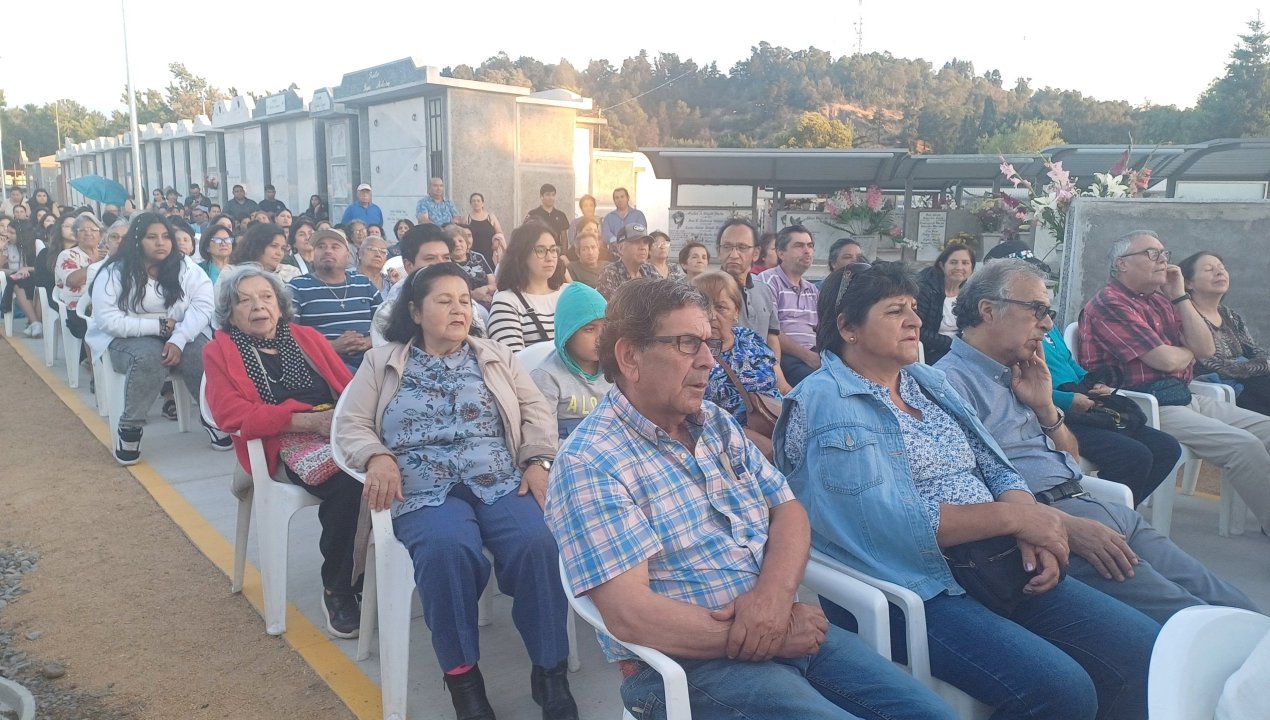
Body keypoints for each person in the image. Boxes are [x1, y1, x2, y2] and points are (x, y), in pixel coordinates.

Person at [545, 278, 957, 720]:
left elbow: (788, 510)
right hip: (687, 667)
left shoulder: (715, 424)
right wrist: (774, 634)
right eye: (687, 344)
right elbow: (632, 616)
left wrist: (774, 602)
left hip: (784, 624)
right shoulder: (592, 462)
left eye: (710, 343)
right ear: (629, 356)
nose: (709, 362)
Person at [777, 261, 1160, 719]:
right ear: (848, 328)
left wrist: (1030, 525)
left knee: (1144, 652)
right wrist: (1017, 518)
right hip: (913, 583)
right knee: (1063, 690)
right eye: (895, 310)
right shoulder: (826, 402)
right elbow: (881, 524)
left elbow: (995, 466)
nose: (915, 320)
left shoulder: (926, 382)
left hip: (994, 560)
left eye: (915, 308)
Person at [936, 259, 1259, 623]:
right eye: (1037, 310)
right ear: (988, 311)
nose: (1047, 324)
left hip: (1096, 507)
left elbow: (1071, 460)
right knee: (1192, 616)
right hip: (1053, 525)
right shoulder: (948, 387)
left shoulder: (1018, 373)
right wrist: (1066, 527)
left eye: (1049, 312)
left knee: (1230, 600)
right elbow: (968, 495)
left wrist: (1045, 408)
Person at [335, 262, 578, 720]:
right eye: (443, 300)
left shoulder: (494, 355)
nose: (458, 309)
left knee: (539, 543)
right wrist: (376, 455)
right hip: (423, 487)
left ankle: (551, 673)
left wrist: (538, 460)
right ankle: (464, 681)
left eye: (465, 300)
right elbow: (350, 424)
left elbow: (536, 412)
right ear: (415, 310)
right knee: (447, 550)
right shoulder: (380, 362)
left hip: (500, 478)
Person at [203, 265, 363, 638]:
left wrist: (348, 419)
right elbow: (230, 414)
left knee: (393, 466)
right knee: (351, 484)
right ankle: (338, 588)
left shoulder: (305, 337)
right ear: (229, 312)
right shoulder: (220, 350)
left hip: (335, 428)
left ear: (280, 304)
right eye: (244, 301)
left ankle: (366, 569)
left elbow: (350, 386)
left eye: (266, 297)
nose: (257, 307)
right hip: (281, 441)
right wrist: (303, 423)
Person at [1079, 230, 1270, 535]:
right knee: (1243, 446)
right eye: (1152, 254)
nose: (1163, 260)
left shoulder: (1161, 299)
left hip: (1183, 395)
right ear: (1122, 264)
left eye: (1164, 254)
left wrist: (1180, 296)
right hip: (1145, 404)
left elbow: (1206, 350)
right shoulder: (1109, 303)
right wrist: (1186, 351)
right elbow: (1165, 361)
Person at [87, 213, 221, 464]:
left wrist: (178, 339)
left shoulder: (185, 266)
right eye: (152, 237)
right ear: (137, 241)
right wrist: (157, 327)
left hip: (180, 332)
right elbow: (108, 320)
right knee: (149, 357)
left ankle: (214, 417)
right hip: (123, 338)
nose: (161, 243)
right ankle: (130, 427)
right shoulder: (114, 271)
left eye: (165, 237)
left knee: (202, 354)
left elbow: (203, 306)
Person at [1041, 324, 1183, 505]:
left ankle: (1120, 514)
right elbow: (1022, 388)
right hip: (1056, 418)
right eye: (1039, 307)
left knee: (1166, 447)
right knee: (1134, 456)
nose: (1047, 319)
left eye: (1048, 310)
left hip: (1086, 409)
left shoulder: (1049, 329)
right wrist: (1068, 399)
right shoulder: (1017, 333)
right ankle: (1108, 518)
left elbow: (1070, 365)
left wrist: (1095, 384)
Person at [694, 270, 782, 458]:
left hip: (775, 423)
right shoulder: (690, 352)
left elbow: (781, 385)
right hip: (726, 442)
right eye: (703, 307)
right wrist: (746, 437)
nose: (711, 316)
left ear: (736, 312)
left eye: (720, 307)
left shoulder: (751, 338)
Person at [1180, 250, 1270, 416]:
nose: (1219, 272)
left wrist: (1262, 363)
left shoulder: (1229, 315)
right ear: (1187, 283)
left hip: (1252, 379)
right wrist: (1263, 365)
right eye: (1208, 269)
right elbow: (1210, 364)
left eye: (1222, 268)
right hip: (1223, 388)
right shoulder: (1185, 316)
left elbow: (1254, 350)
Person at [288, 229, 381, 372]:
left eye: (335, 247)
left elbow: (387, 326)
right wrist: (331, 346)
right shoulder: (298, 287)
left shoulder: (363, 284)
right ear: (313, 254)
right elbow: (287, 337)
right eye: (321, 247)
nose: (328, 251)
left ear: (348, 255)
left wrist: (368, 341)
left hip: (370, 362)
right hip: (322, 367)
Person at [716, 218, 790, 393]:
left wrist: (773, 373)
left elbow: (772, 337)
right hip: (724, 381)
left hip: (764, 376)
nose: (734, 254)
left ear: (756, 253)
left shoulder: (764, 289)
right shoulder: (707, 291)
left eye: (742, 248)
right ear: (718, 251)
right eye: (727, 247)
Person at [530, 282, 610, 439]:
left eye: (605, 327)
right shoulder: (547, 377)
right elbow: (545, 437)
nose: (601, 338)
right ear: (568, 332)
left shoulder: (615, 371)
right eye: (589, 329)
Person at [489, 223, 568, 352]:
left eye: (553, 250)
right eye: (540, 250)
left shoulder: (568, 293)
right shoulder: (506, 301)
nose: (550, 258)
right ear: (522, 254)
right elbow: (512, 362)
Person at [371, 224, 455, 341]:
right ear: (409, 266)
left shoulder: (465, 304)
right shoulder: (387, 314)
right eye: (430, 259)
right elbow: (387, 357)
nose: (441, 266)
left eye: (446, 258)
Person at [760, 224, 820, 386]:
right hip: (782, 357)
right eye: (799, 246)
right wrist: (808, 357)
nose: (807, 251)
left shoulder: (812, 290)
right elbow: (770, 330)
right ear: (781, 253)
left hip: (812, 354)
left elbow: (821, 329)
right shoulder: (768, 281)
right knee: (821, 386)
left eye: (810, 246)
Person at [917, 243, 976, 365]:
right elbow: (918, 330)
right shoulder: (926, 290)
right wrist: (952, 344)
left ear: (972, 269)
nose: (959, 267)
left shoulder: (970, 294)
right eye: (953, 262)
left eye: (965, 263)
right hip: (930, 351)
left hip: (960, 350)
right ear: (942, 265)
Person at [54, 213, 104, 341]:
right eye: (82, 230)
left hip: (103, 305)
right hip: (78, 309)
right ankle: (92, 358)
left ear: (101, 235)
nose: (88, 233)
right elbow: (72, 281)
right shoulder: (67, 255)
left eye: (93, 229)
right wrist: (97, 262)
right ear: (76, 235)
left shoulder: (107, 253)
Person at [3, 220, 45, 337]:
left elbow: (43, 267)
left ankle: (34, 323)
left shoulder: (36, 244)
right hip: (17, 279)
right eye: (8, 232)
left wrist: (28, 269)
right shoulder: (8, 246)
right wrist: (1, 249)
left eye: (12, 232)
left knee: (39, 289)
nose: (8, 235)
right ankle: (36, 323)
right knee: (17, 285)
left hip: (35, 277)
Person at [594, 226, 658, 300]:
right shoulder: (610, 273)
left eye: (645, 242)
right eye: (636, 242)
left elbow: (662, 299)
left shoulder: (650, 270)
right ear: (620, 248)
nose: (643, 247)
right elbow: (614, 308)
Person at [230, 223, 301, 283]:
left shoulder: (292, 272)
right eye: (274, 246)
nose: (279, 253)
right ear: (257, 246)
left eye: (283, 248)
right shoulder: (234, 274)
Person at [445, 223, 496, 306]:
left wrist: (486, 288)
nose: (457, 244)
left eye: (460, 241)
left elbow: (493, 283)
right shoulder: (447, 263)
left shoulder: (478, 257)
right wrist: (473, 295)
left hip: (488, 296)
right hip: (466, 302)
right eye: (453, 242)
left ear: (466, 243)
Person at [460, 192, 505, 264]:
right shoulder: (466, 218)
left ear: (482, 203)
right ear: (470, 204)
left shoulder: (491, 217)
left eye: (478, 200)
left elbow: (499, 232)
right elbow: (461, 235)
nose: (476, 203)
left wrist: (497, 241)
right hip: (474, 253)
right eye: (473, 201)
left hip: (490, 252)